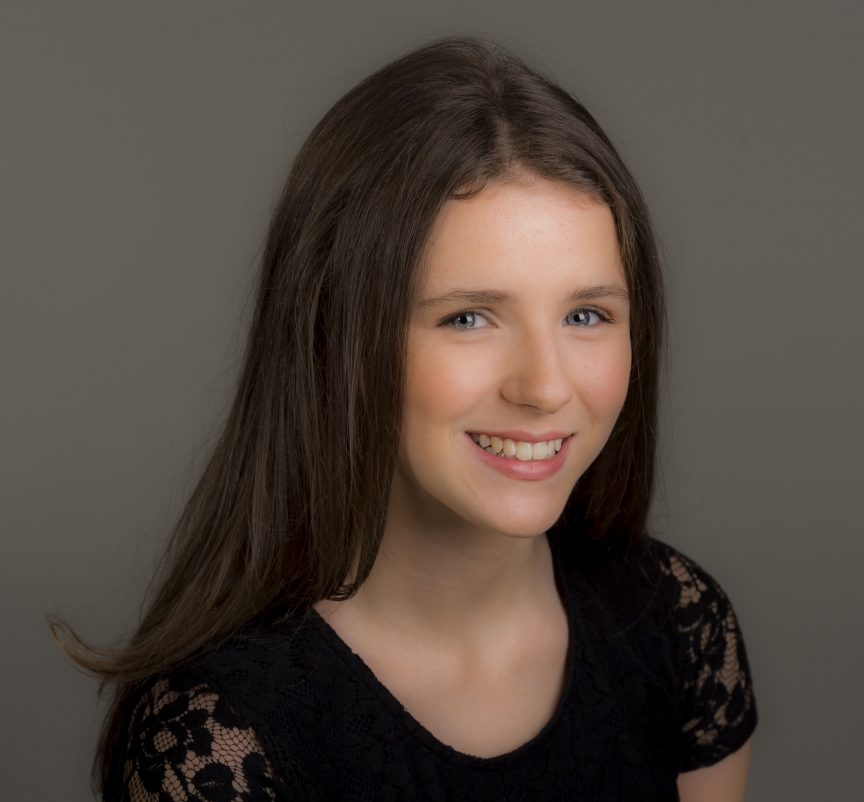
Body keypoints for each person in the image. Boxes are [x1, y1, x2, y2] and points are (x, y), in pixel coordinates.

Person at [56, 36, 757, 801]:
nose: (544, 386)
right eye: (468, 318)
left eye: (586, 314)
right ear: (338, 341)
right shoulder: (218, 737)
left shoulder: (677, 621)